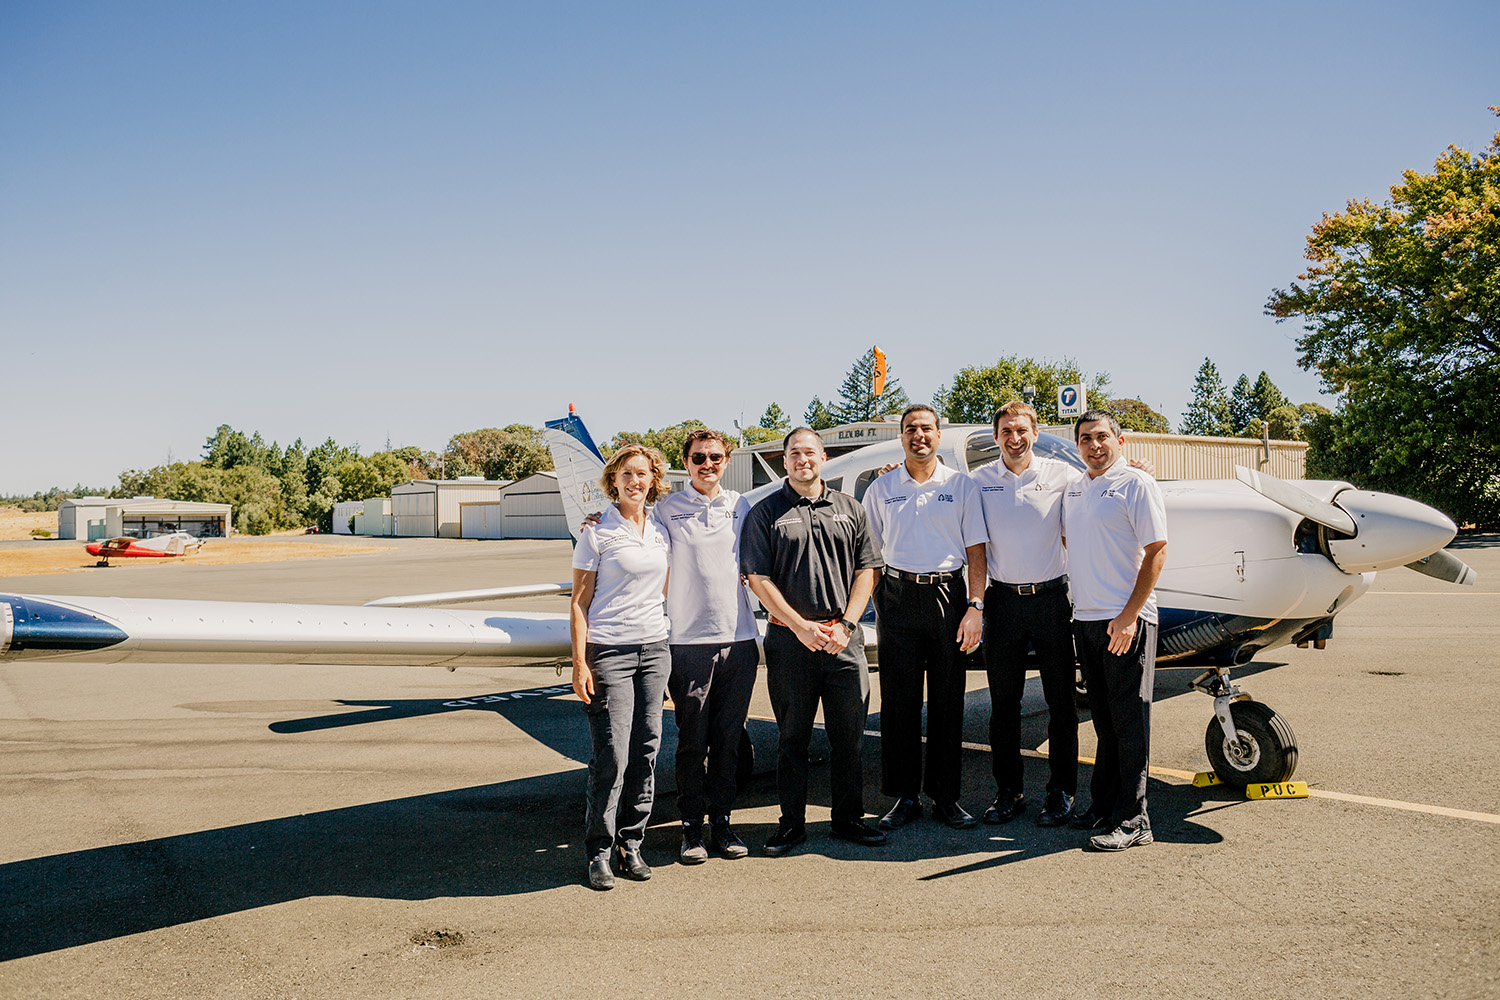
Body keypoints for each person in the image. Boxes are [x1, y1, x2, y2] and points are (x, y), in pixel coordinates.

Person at [741, 427, 885, 856]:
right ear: (784, 461)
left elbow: (868, 570)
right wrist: (801, 626)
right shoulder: (764, 513)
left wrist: (846, 625)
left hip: (844, 641)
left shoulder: (851, 509)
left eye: (810, 452)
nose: (802, 459)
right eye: (794, 453)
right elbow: (757, 578)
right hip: (791, 644)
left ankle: (847, 819)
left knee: (850, 738)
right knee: (792, 740)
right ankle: (791, 825)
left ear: (822, 457)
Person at [860, 404, 988, 831]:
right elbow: (870, 554)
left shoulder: (961, 486)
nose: (919, 435)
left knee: (949, 701)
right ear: (901, 437)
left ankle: (946, 797)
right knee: (899, 703)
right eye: (911, 429)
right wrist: (878, 602)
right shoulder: (881, 489)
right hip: (896, 597)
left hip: (948, 597)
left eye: (927, 428)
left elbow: (975, 551)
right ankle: (903, 797)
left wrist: (975, 606)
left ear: (938, 434)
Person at [649, 429, 760, 864]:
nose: (707, 464)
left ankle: (724, 824)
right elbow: (634, 527)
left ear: (726, 461)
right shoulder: (666, 509)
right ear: (687, 461)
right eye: (698, 457)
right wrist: (596, 519)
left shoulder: (742, 505)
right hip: (688, 643)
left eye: (715, 457)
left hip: (740, 639)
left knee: (729, 741)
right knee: (693, 742)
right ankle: (691, 830)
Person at [969, 400, 1080, 827]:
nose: (1014, 438)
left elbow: (1101, 488)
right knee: (1004, 705)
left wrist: (1137, 467)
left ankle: (1061, 791)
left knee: (1061, 703)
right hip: (1003, 603)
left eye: (1022, 430)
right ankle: (1008, 792)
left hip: (1052, 601)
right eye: (1005, 432)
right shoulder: (977, 482)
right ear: (995, 437)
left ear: (1035, 432)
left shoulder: (1063, 475)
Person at [1061, 410, 1168, 852]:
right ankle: (1103, 806)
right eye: (1086, 439)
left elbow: (1157, 551)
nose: (1094, 445)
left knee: (1129, 722)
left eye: (1102, 437)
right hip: (1086, 620)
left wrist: (1129, 615)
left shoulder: (1137, 484)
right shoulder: (1076, 488)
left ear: (1120, 441)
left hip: (1125, 622)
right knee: (1104, 722)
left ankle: (1134, 817)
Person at [569, 444, 674, 890]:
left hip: (655, 649)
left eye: (643, 474)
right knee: (612, 753)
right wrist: (579, 663)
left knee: (647, 749)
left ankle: (632, 843)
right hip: (610, 650)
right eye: (627, 474)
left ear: (654, 480)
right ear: (614, 480)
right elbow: (578, 603)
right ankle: (598, 850)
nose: (635, 481)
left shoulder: (661, 530)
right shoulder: (595, 532)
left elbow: (663, 590)